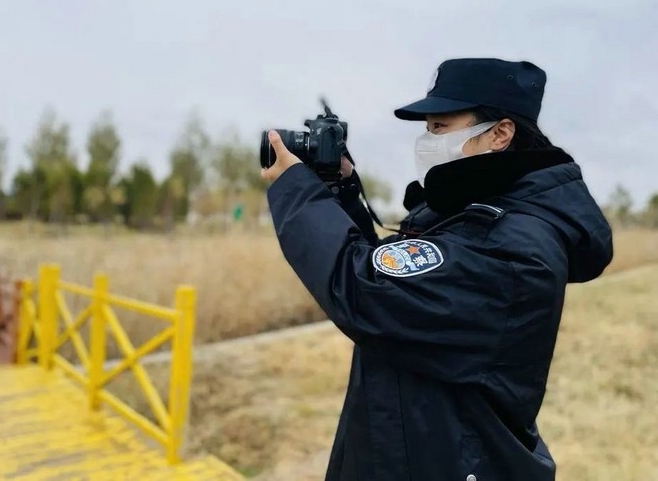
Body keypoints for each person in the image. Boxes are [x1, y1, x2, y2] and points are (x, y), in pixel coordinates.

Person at [260, 58, 613, 481]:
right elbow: (392, 278)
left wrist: (297, 190)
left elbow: (365, 292)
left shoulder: (511, 248)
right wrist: (341, 191)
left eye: (440, 127)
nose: (427, 141)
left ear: (500, 133)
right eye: (426, 129)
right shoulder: (470, 216)